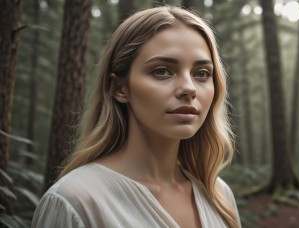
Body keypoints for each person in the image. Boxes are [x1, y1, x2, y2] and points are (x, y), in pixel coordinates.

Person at [32, 6, 241, 228]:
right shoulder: (75, 201)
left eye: (202, 73)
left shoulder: (219, 196)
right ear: (120, 88)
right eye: (162, 71)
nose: (189, 88)